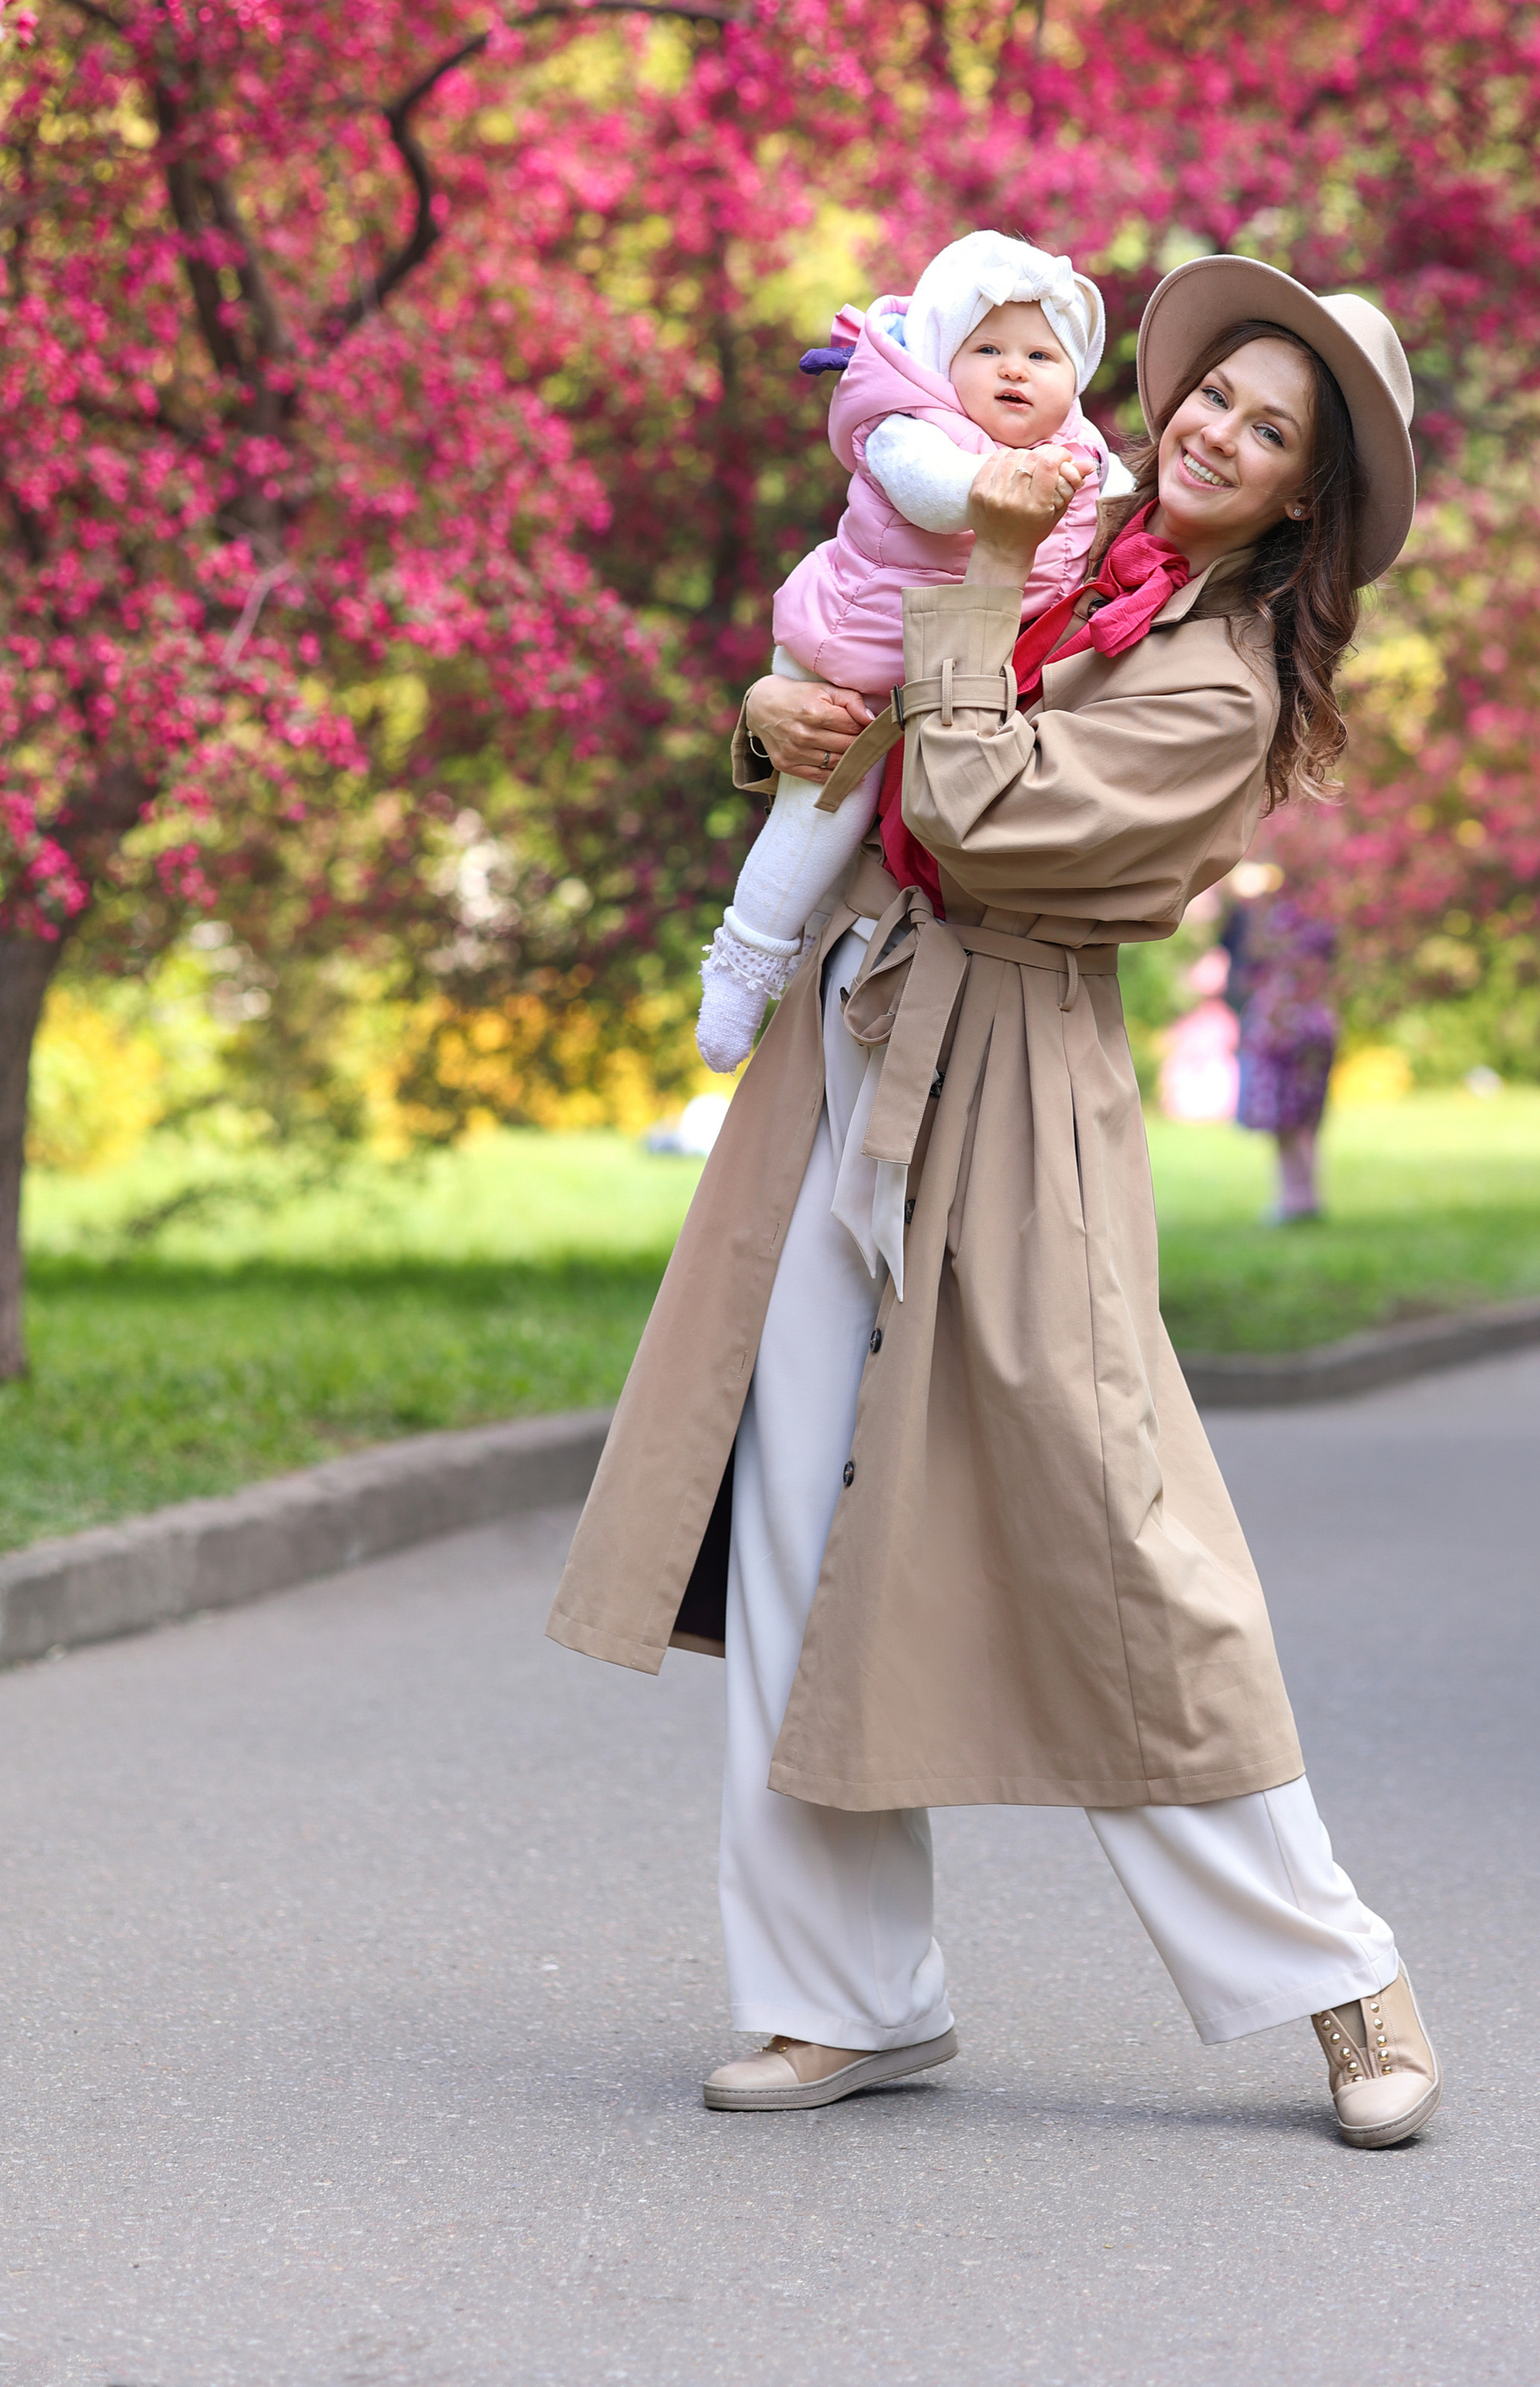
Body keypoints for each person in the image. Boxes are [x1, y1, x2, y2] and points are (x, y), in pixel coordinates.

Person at [547, 251, 1440, 2150]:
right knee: (790, 1502)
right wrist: (771, 710)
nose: (1208, 426)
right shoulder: (1070, 534)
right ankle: (838, 1996)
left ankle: (1337, 1971)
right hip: (847, 1024)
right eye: (1211, 392)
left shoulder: (1210, 679)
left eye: (1264, 428)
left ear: (1301, 501)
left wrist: (947, 601)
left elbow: (972, 805)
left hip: (1011, 1076)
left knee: (1109, 1529)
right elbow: (860, 684)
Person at [694, 230, 1130, 1069]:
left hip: (940, 689)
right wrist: (991, 490)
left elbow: (1126, 506)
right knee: (820, 820)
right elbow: (931, 500)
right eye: (988, 349)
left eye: (1042, 354)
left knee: (861, 848)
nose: (1014, 369)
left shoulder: (1080, 456)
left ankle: (808, 951)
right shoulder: (909, 425)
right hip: (850, 658)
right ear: (939, 356)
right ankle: (742, 971)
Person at [1224, 884, 1342, 1223]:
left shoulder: (1280, 923)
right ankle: (1304, 1197)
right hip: (1314, 1022)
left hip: (1286, 1028)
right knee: (1304, 1118)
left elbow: (1254, 973)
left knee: (1288, 1119)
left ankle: (1296, 1201)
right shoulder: (1321, 916)